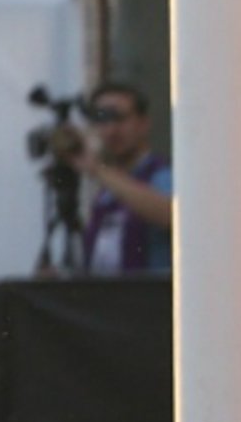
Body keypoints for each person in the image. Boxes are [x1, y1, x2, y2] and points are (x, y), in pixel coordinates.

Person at [67, 81, 174, 277]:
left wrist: (99, 170)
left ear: (143, 124)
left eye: (119, 118)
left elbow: (170, 214)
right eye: (102, 119)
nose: (111, 130)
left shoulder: (161, 173)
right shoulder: (107, 188)